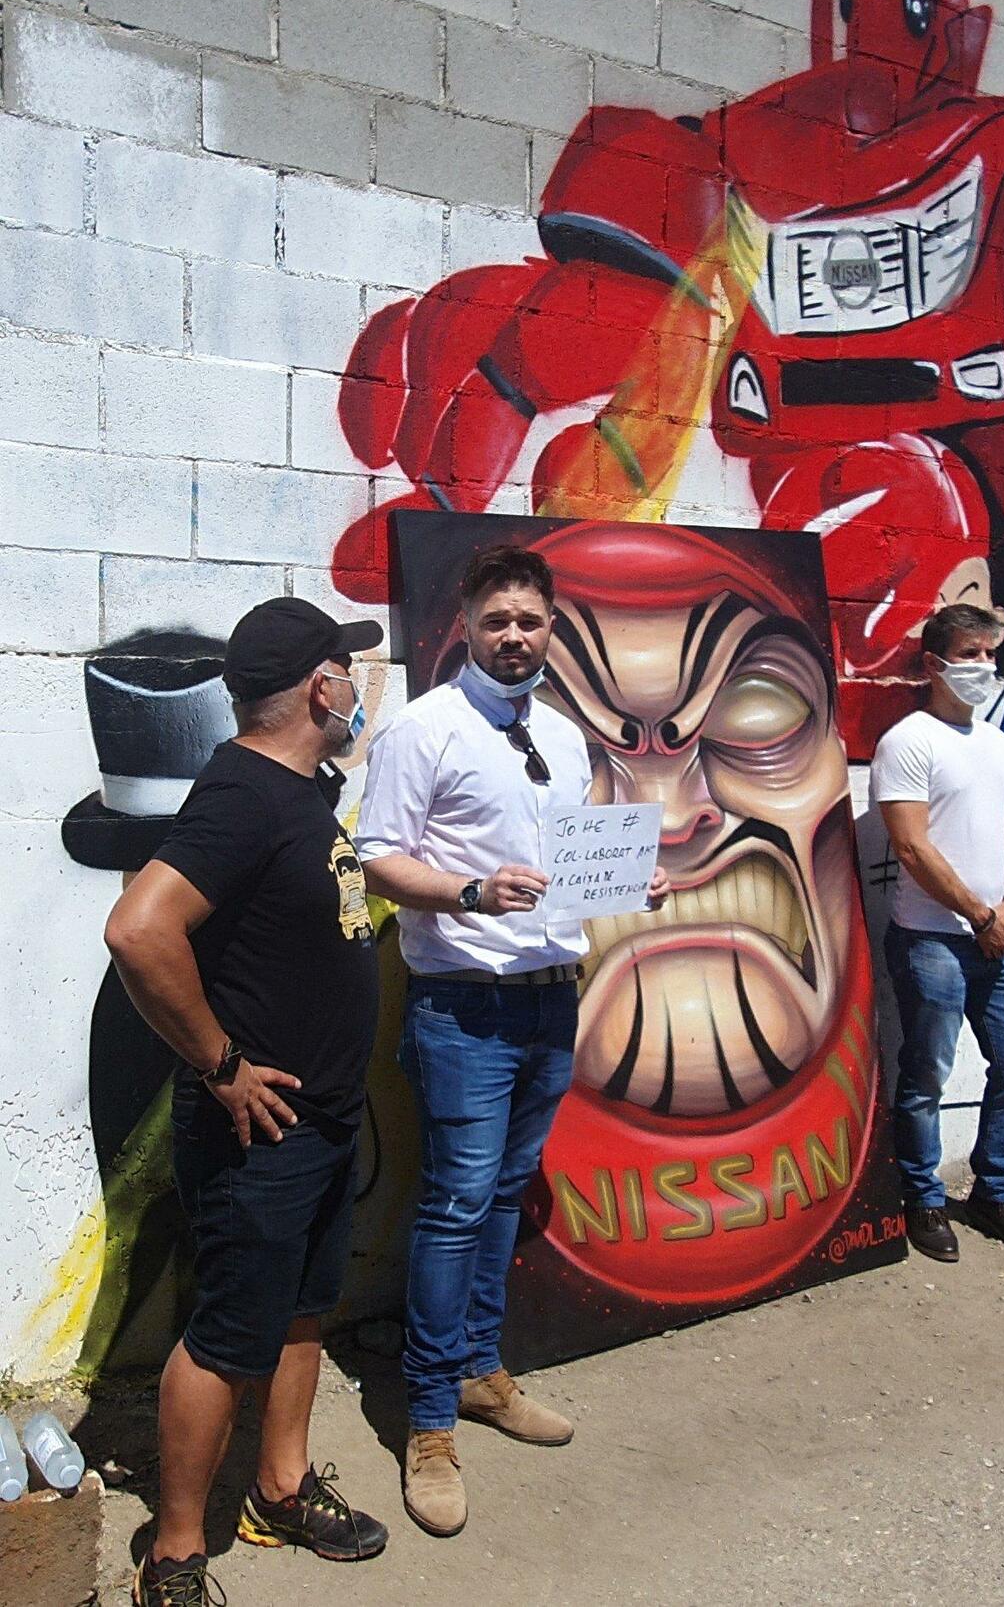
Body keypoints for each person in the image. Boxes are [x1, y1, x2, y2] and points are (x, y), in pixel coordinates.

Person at [355, 544, 667, 1540]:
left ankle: (481, 1371)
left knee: (497, 1195)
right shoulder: (424, 729)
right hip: (464, 1009)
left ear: (551, 626)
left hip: (549, 1001)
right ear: (468, 626)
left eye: (530, 620)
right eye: (498, 621)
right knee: (453, 1203)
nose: (515, 636)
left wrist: (627, 883)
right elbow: (377, 858)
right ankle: (430, 1419)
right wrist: (470, 892)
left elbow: (567, 861)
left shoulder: (565, 736)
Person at [105, 598, 389, 1607]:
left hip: (321, 1121)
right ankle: (174, 1555)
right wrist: (223, 1066)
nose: (357, 685)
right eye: (347, 670)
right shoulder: (243, 795)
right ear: (320, 686)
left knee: (305, 1310)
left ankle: (278, 1487)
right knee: (228, 1335)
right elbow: (140, 929)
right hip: (258, 1132)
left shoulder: (294, 790)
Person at [872, 603, 1004, 1263]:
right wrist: (980, 915)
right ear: (933, 662)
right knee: (926, 1075)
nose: (982, 666)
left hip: (995, 937)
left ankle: (996, 1189)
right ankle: (921, 1196)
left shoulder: (997, 741)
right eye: (969, 653)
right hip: (932, 942)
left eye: (989, 654)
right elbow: (913, 847)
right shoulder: (908, 741)